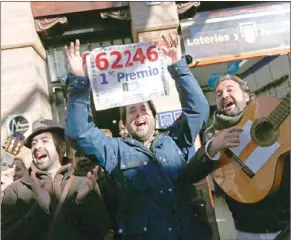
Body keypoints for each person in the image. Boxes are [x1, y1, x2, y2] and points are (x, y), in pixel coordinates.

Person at [64, 34, 212, 240]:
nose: (139, 113)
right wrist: (80, 81)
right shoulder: (115, 151)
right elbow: (79, 133)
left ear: (154, 117)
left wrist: (178, 67)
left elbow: (199, 110)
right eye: (131, 111)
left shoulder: (175, 139)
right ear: (124, 124)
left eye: (144, 109)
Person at [200, 75, 290, 240]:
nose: (224, 95)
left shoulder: (273, 116)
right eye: (218, 94)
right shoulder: (214, 135)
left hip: (285, 224)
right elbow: (192, 171)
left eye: (230, 89)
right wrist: (211, 147)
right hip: (248, 230)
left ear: (246, 96)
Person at [1, 118, 110, 240]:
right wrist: (39, 210)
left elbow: (101, 231)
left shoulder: (83, 182)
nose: (37, 147)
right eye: (34, 143)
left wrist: (82, 202)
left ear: (62, 147)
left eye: (44, 141)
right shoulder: (16, 190)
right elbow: (7, 236)